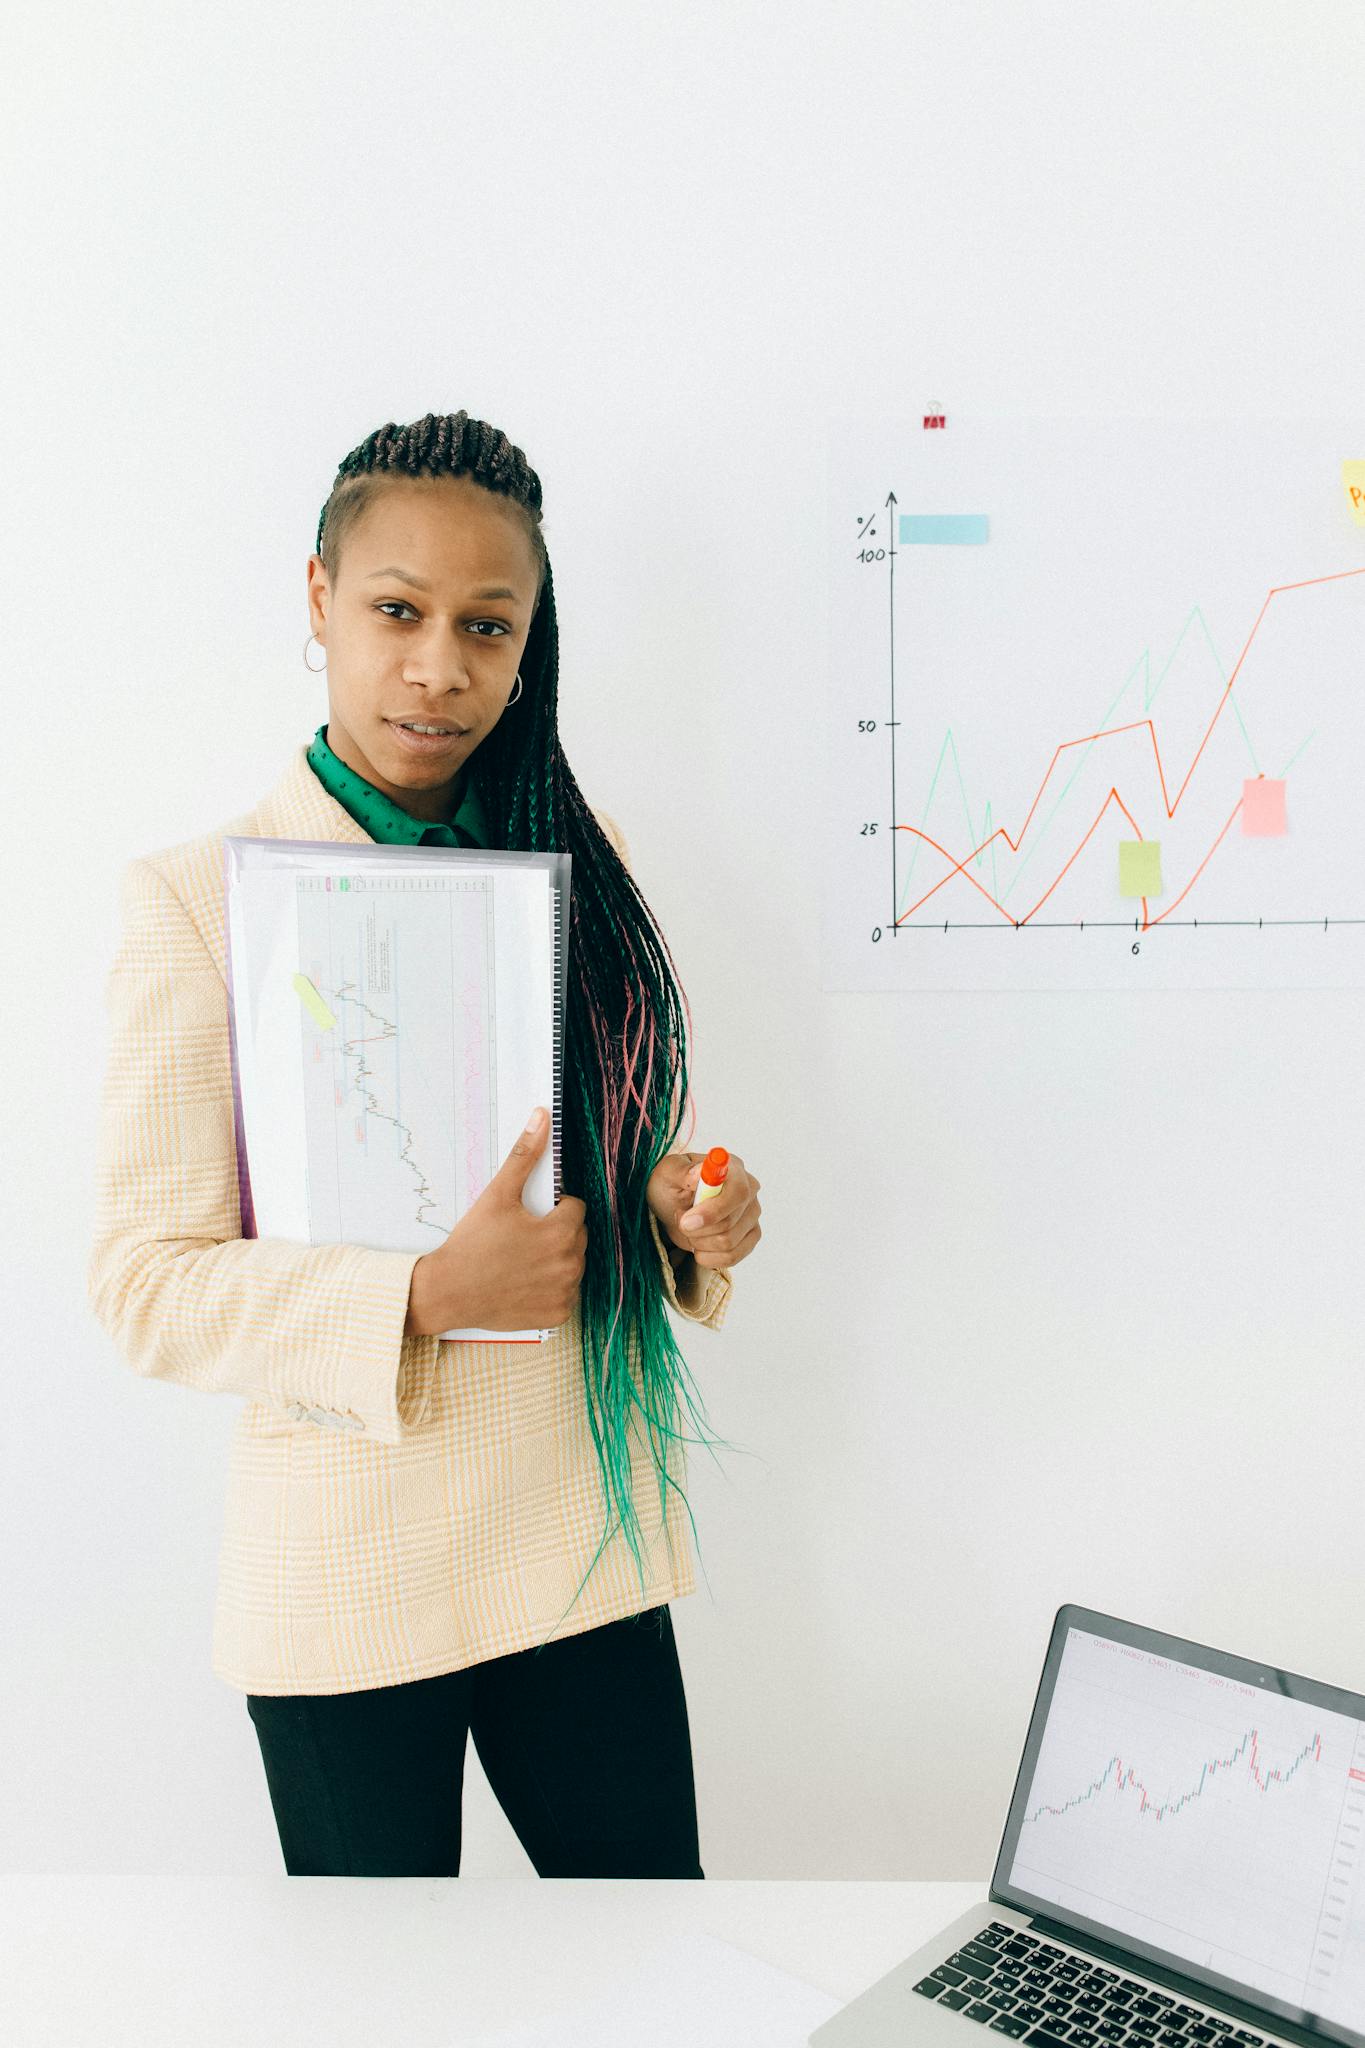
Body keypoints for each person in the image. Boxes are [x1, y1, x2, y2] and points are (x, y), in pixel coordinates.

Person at [87, 409, 764, 1876]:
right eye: (397, 610)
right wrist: (422, 1298)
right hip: (345, 1579)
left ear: (529, 646)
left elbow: (611, 1166)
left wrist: (676, 1214)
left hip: (577, 1541)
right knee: (379, 2012)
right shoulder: (197, 902)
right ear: (319, 598)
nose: (440, 666)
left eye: (487, 624)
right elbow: (144, 1282)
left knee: (651, 1968)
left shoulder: (586, 867)